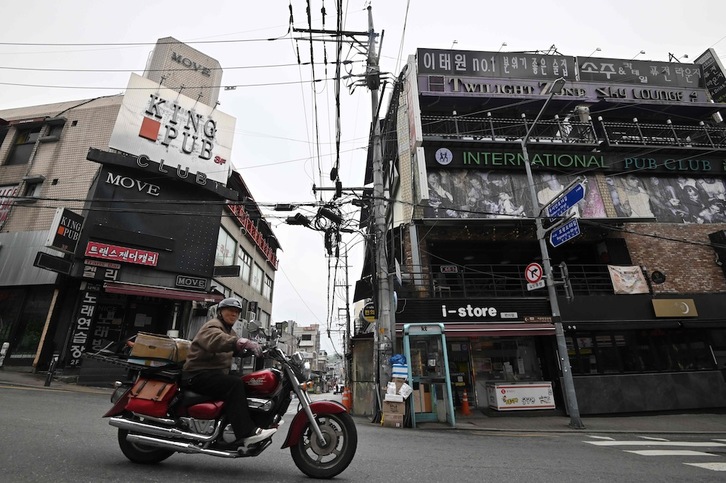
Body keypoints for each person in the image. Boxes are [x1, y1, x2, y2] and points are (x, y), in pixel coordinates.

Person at [181, 297, 276, 449]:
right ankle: (246, 433)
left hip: (211, 374)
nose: (234, 314)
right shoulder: (213, 326)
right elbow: (217, 341)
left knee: (247, 382)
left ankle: (237, 423)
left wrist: (249, 351)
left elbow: (230, 349)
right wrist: (241, 342)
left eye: (237, 312)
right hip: (196, 374)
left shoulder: (228, 331)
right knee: (235, 384)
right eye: (230, 310)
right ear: (220, 312)